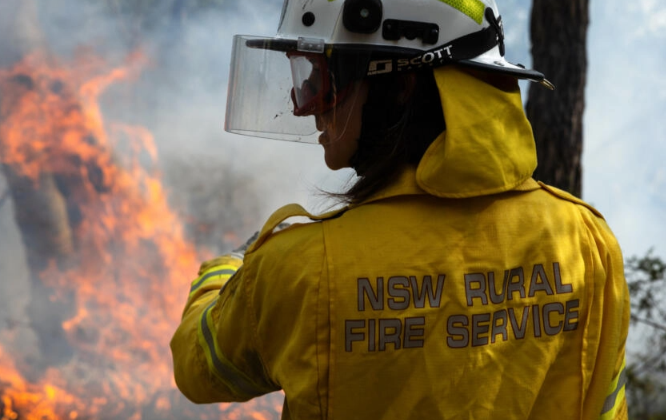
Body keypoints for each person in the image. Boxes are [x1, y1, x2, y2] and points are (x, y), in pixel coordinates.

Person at [170, 0, 630, 418]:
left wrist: (225, 272)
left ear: (402, 85)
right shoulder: (586, 240)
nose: (305, 106)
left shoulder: (301, 268)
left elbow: (199, 367)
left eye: (323, 80)